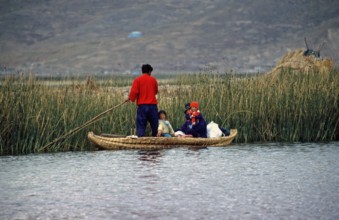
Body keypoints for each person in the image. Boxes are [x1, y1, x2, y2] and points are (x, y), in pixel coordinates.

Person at [127, 64, 158, 137]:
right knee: (154, 124)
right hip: (153, 106)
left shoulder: (137, 80)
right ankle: (156, 140)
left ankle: (141, 140)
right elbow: (155, 91)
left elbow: (134, 92)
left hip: (142, 106)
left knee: (141, 124)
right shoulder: (153, 80)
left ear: (142, 71)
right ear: (149, 71)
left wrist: (130, 98)